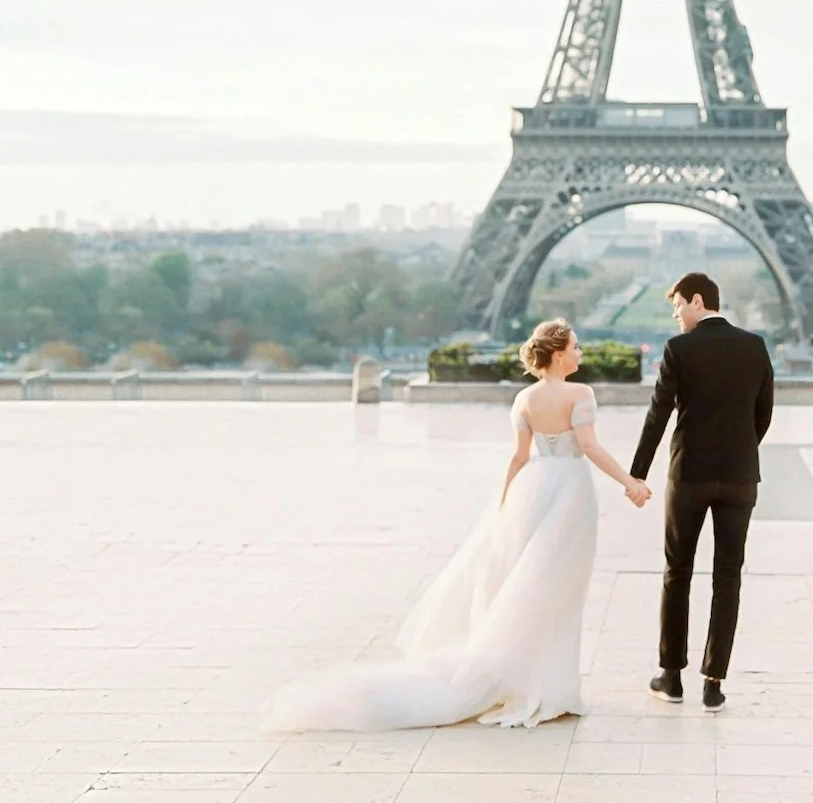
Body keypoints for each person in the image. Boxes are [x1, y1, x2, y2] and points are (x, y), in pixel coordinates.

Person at [261, 319, 650, 732]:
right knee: (559, 591)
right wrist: (630, 483)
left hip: (532, 491)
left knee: (526, 588)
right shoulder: (580, 394)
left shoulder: (524, 399)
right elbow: (587, 446)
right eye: (575, 347)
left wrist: (505, 503)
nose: (580, 353)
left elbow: (518, 459)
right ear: (557, 354)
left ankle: (526, 680)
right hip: (569, 491)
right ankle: (552, 687)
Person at [628, 272, 774, 712]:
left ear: (696, 301)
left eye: (677, 308)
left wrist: (638, 473)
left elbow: (658, 415)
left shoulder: (680, 349)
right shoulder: (755, 346)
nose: (676, 317)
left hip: (688, 474)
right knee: (728, 579)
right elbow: (763, 414)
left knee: (677, 573)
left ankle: (671, 677)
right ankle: (713, 683)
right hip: (739, 476)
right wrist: (740, 452)